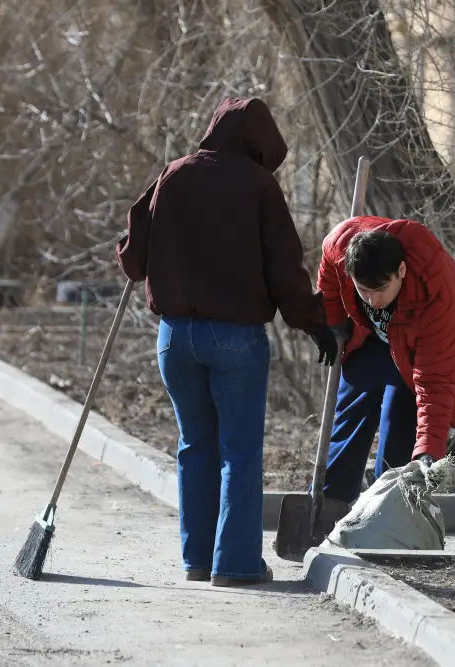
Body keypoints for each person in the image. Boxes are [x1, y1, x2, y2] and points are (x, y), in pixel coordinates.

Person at [115, 97, 338, 587]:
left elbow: (133, 260)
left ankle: (197, 560)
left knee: (195, 446)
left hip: (174, 336)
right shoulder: (259, 186)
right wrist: (314, 322)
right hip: (234, 338)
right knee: (238, 450)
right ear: (258, 145)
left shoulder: (172, 175)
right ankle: (234, 565)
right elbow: (284, 270)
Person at [316, 215, 455, 504]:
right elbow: (329, 277)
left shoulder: (434, 289)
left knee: (398, 429)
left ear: (401, 270)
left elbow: (435, 380)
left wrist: (428, 450)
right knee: (349, 421)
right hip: (372, 341)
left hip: (415, 354)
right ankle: (328, 505)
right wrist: (332, 324)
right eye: (363, 290)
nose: (372, 301)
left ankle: (385, 508)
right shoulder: (341, 245)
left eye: (380, 289)